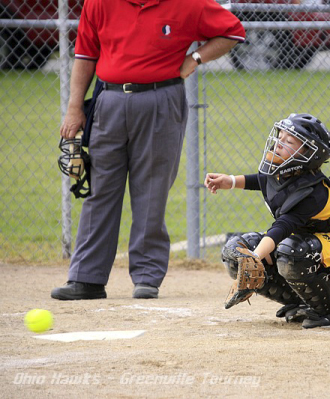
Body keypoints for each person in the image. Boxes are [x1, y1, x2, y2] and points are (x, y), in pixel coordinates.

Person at [51, 0, 245, 300]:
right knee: (99, 189)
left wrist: (195, 57)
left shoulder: (187, 4)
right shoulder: (99, 2)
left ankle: (146, 277)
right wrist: (74, 108)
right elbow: (86, 55)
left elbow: (233, 31)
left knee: (152, 190)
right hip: (110, 100)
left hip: (161, 99)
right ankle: (86, 278)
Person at [204, 113, 330, 328]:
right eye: (280, 136)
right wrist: (231, 181)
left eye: (289, 141)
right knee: (235, 251)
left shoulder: (313, 193)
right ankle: (303, 301)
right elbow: (263, 180)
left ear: (307, 153)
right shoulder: (284, 171)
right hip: (311, 236)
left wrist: (254, 258)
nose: (279, 143)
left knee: (291, 252)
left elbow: (282, 228)